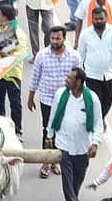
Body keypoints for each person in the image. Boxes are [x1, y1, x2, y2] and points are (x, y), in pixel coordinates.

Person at [47, 67, 103, 201]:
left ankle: (73, 196)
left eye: (70, 78)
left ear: (78, 82)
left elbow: (98, 124)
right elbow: (53, 115)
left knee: (77, 177)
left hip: (83, 146)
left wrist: (95, 143)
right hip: (63, 144)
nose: (66, 79)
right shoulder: (60, 95)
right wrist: (49, 136)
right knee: (67, 178)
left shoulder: (91, 98)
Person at [28, 26, 81, 179]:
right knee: (47, 129)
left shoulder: (74, 56)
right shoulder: (42, 56)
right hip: (47, 99)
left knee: (62, 130)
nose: (55, 41)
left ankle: (56, 160)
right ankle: (46, 161)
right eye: (52, 38)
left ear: (64, 38)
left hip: (67, 99)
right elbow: (35, 77)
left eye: (58, 38)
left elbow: (79, 80)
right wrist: (30, 97)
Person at [77, 6, 112, 125]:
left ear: (106, 18)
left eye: (101, 19)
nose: (98, 21)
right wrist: (80, 75)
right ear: (92, 19)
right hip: (91, 75)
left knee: (108, 101)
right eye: (96, 19)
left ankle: (100, 117)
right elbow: (80, 56)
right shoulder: (85, 34)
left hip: (109, 76)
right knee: (95, 101)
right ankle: (96, 123)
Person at [0, 5, 28, 138]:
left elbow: (21, 52)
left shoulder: (18, 32)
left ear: (4, 16)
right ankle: (0, 128)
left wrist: (8, 56)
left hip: (12, 73)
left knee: (15, 103)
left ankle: (17, 130)